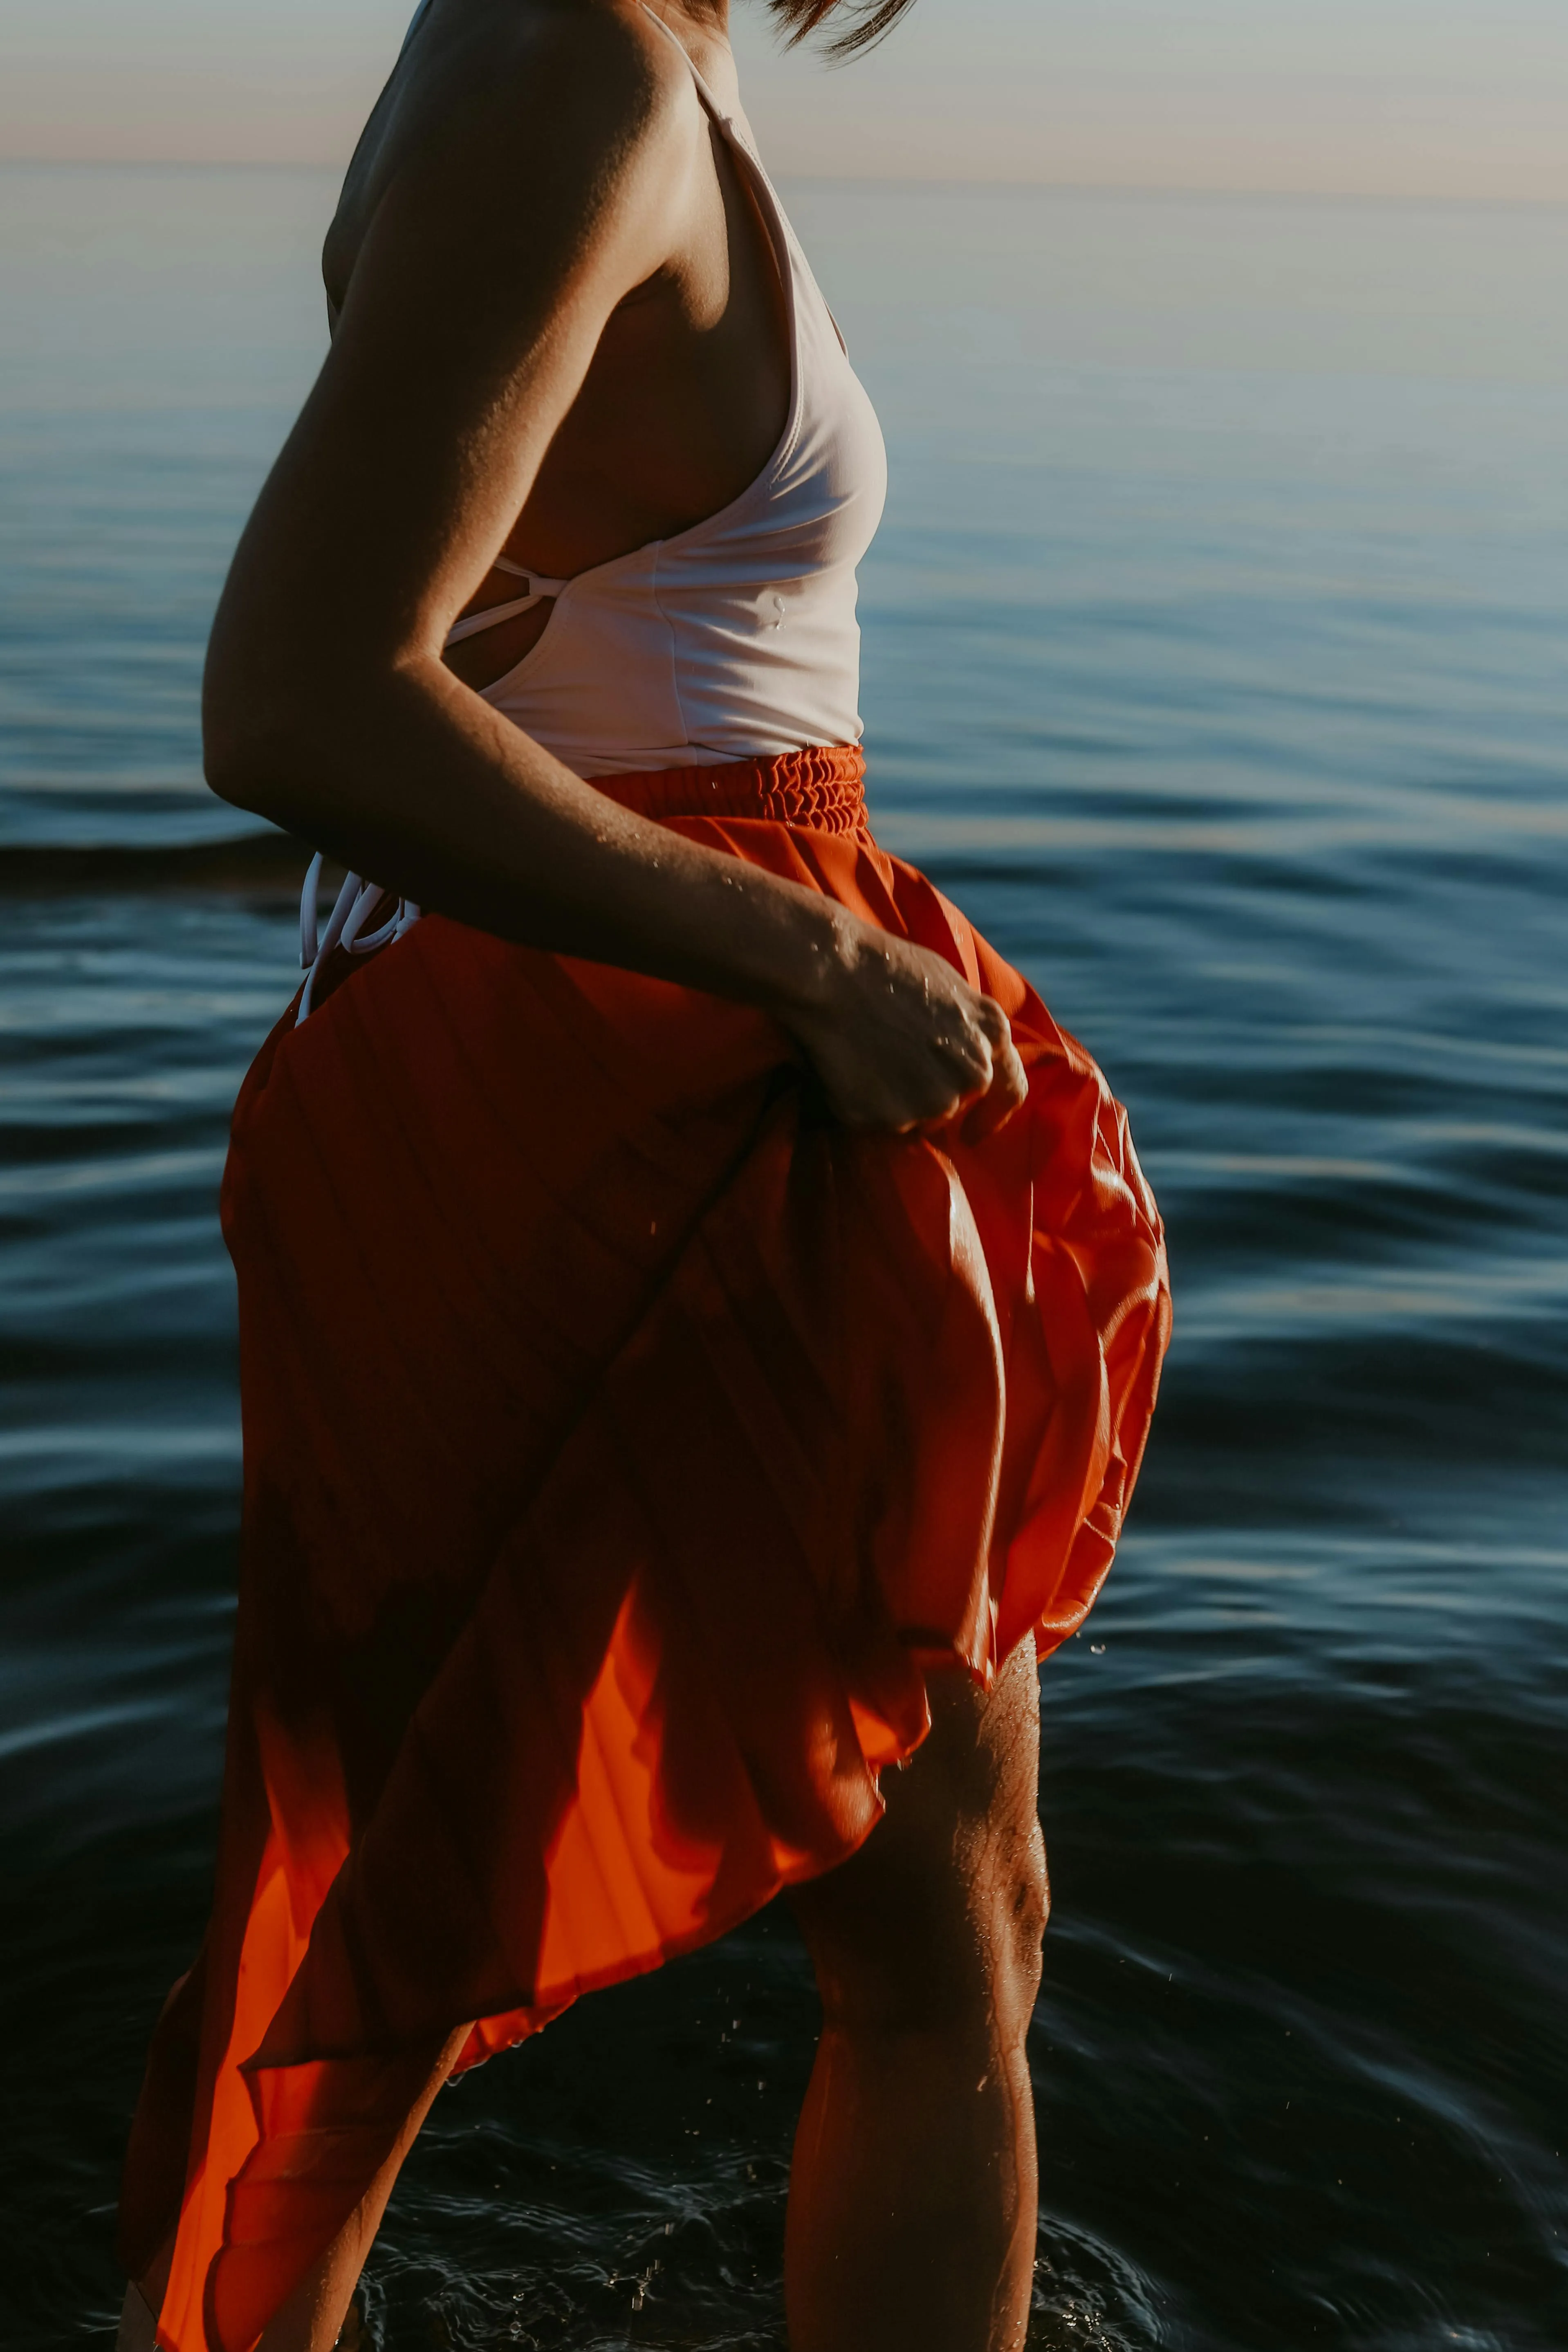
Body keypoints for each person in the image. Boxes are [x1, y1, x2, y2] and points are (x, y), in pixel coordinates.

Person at [116, 2, 1170, 2346]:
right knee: (918, 1927)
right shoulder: (563, 68)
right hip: (645, 1077)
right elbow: (293, 691)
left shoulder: (570, 52)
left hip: (611, 1046)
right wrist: (809, 954)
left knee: (408, 1896)